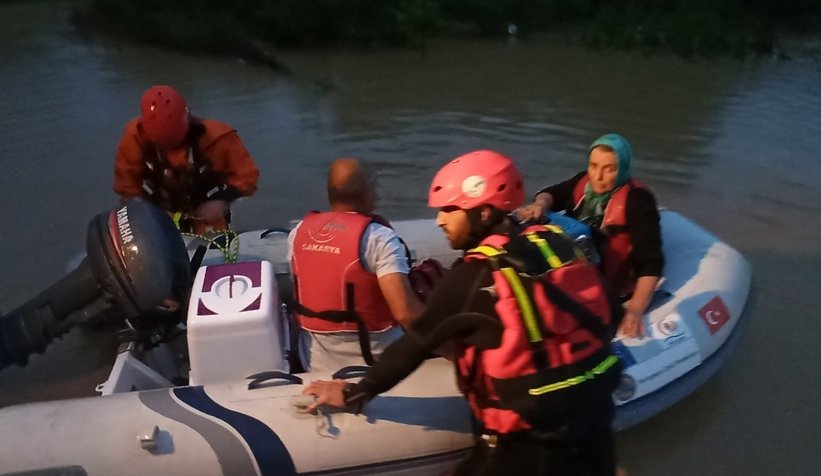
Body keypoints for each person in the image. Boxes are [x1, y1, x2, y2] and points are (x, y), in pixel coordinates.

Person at [303, 150, 623, 475]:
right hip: (596, 433)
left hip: (527, 449)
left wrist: (355, 390)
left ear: (483, 213)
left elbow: (414, 346)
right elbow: (608, 312)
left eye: (449, 209)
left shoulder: (472, 278)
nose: (439, 220)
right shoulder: (561, 244)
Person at [516, 133, 663, 338]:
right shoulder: (583, 183)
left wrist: (635, 310)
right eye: (593, 166)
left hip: (607, 276)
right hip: (575, 257)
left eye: (608, 169)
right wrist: (539, 205)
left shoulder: (638, 202)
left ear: (623, 169)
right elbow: (551, 193)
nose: (598, 176)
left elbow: (652, 262)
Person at [288, 158, 427, 372]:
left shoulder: (298, 233)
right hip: (376, 360)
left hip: (314, 363)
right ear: (368, 193)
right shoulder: (379, 239)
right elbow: (405, 313)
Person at [113, 85, 259, 234]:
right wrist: (138, 217)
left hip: (206, 217)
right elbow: (128, 190)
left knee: (213, 250)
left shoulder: (217, 137)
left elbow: (247, 177)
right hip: (155, 217)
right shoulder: (134, 138)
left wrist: (221, 200)